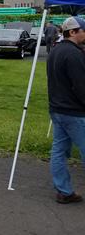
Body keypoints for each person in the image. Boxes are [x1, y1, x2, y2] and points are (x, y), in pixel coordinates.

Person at [46, 16, 85, 204]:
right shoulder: (73, 54)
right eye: (83, 31)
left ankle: (64, 191)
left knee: (59, 151)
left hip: (57, 109)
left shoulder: (55, 50)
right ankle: (64, 191)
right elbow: (80, 86)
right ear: (73, 32)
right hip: (73, 111)